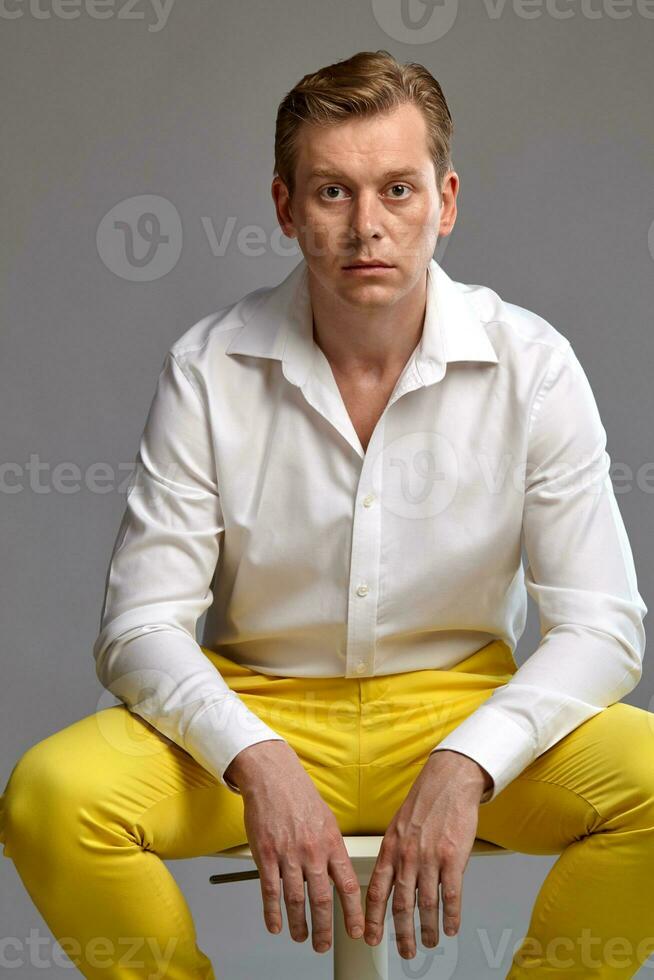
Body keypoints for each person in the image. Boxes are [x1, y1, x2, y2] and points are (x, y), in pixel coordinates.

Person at [1, 48, 652, 978]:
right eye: (333, 194)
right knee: (49, 798)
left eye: (397, 189)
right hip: (252, 708)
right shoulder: (210, 367)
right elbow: (139, 624)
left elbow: (604, 626)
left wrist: (470, 761)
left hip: (457, 707)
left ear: (448, 200)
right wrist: (255, 757)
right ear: (284, 208)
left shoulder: (533, 366)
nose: (368, 229)